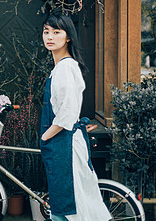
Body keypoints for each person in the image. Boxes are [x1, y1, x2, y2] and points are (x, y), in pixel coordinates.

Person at [40, 13, 111, 221]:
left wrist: (45, 137)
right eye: (46, 32)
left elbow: (67, 113)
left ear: (68, 36)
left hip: (64, 144)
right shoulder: (62, 66)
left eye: (56, 32)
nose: (50, 37)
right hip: (64, 142)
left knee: (70, 207)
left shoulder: (65, 67)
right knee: (70, 205)